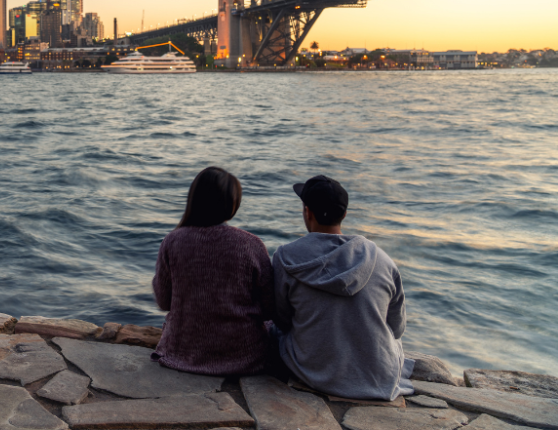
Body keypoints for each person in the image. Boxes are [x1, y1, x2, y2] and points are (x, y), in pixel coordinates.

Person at [272, 175, 412, 400]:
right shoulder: (381, 259)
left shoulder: (285, 257)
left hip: (312, 371)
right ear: (344, 215)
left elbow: (282, 319)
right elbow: (397, 328)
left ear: (307, 212)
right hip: (378, 377)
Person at [152, 167, 275, 375]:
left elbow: (164, 302)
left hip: (183, 351)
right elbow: (270, 307)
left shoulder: (172, 241)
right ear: (232, 204)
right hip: (245, 356)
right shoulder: (251, 244)